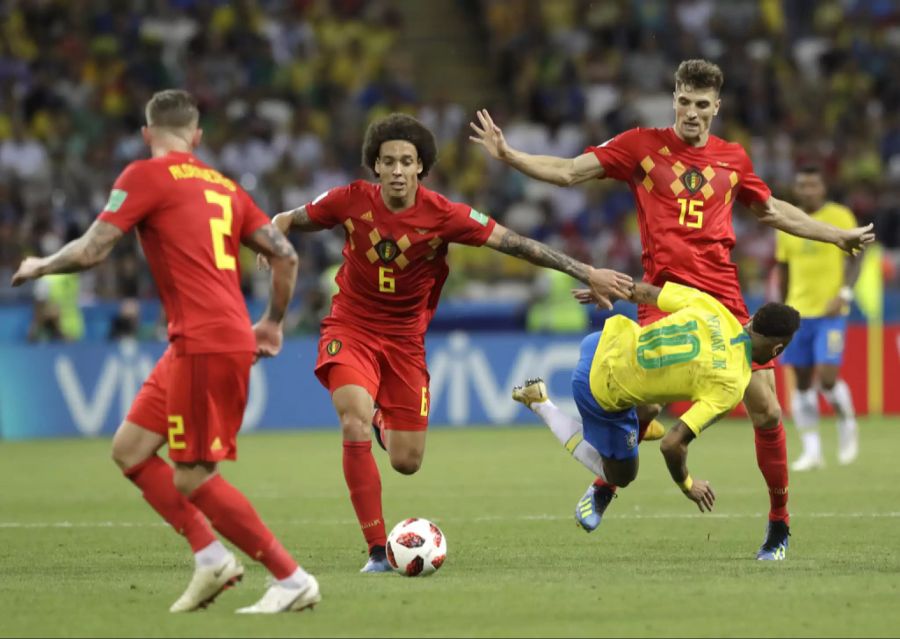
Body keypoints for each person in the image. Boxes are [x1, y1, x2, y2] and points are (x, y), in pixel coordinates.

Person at [469, 59, 875, 560]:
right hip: (663, 294)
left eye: (703, 105)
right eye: (685, 101)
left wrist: (836, 236)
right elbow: (571, 171)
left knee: (767, 409)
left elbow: (771, 211)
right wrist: (509, 156)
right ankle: (608, 485)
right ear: (675, 99)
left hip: (723, 300)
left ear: (716, 108)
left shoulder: (733, 159)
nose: (692, 112)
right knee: (645, 405)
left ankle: (779, 523)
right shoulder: (641, 145)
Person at [263, 113, 634, 573]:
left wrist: (587, 271)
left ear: (421, 167)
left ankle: (383, 417)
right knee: (352, 422)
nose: (397, 170)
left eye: (407, 161)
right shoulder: (349, 201)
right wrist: (269, 238)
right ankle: (378, 551)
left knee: (406, 461)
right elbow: (286, 219)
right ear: (374, 167)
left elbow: (515, 243)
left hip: (405, 342)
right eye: (388, 162)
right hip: (350, 328)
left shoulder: (444, 215)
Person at [11, 90, 318, 614]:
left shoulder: (144, 175)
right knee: (130, 448)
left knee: (193, 475)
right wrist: (270, 323)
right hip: (203, 337)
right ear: (197, 137)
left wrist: (40, 264)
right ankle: (209, 557)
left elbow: (92, 249)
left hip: (204, 340)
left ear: (147, 134)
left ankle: (291, 578)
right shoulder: (224, 186)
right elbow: (285, 255)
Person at [512, 282, 801, 527]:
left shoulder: (712, 306)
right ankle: (540, 402)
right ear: (777, 349)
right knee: (622, 475)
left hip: (601, 340)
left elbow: (648, 293)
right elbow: (672, 445)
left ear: (751, 319)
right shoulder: (732, 383)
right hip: (598, 390)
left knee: (650, 405)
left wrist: (610, 288)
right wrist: (688, 484)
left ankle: (641, 422)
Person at [776, 166, 861, 470]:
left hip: (830, 312)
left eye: (813, 185)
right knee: (800, 383)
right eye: (802, 185)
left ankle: (847, 422)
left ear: (823, 188)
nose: (808, 190)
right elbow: (783, 268)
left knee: (826, 379)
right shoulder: (786, 220)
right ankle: (812, 450)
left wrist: (845, 294)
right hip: (799, 313)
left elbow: (856, 258)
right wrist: (784, 307)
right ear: (797, 189)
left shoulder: (840, 217)